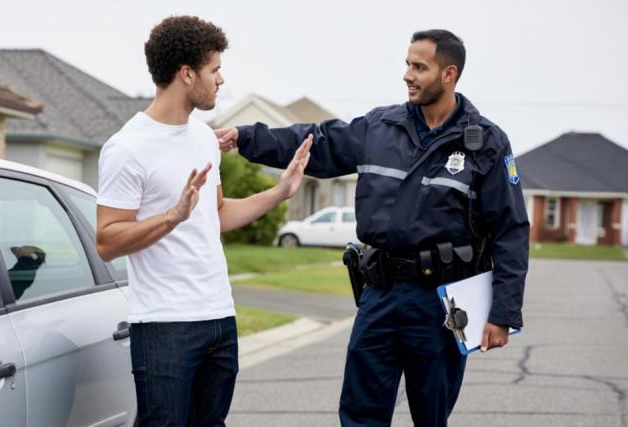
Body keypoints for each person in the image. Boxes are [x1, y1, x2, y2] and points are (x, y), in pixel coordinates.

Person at [215, 29, 529, 427]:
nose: (408, 75)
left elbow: (511, 230)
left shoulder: (485, 144)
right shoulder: (379, 128)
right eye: (407, 64)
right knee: (360, 414)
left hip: (441, 304)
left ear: (449, 74)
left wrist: (503, 314)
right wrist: (245, 137)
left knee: (431, 416)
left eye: (420, 67)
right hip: (379, 297)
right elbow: (315, 142)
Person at [95, 16, 312, 426]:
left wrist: (279, 192)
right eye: (214, 70)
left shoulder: (202, 138)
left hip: (218, 316)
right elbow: (107, 239)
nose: (221, 79)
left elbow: (217, 215)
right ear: (186, 73)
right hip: (163, 325)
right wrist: (171, 217)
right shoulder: (127, 148)